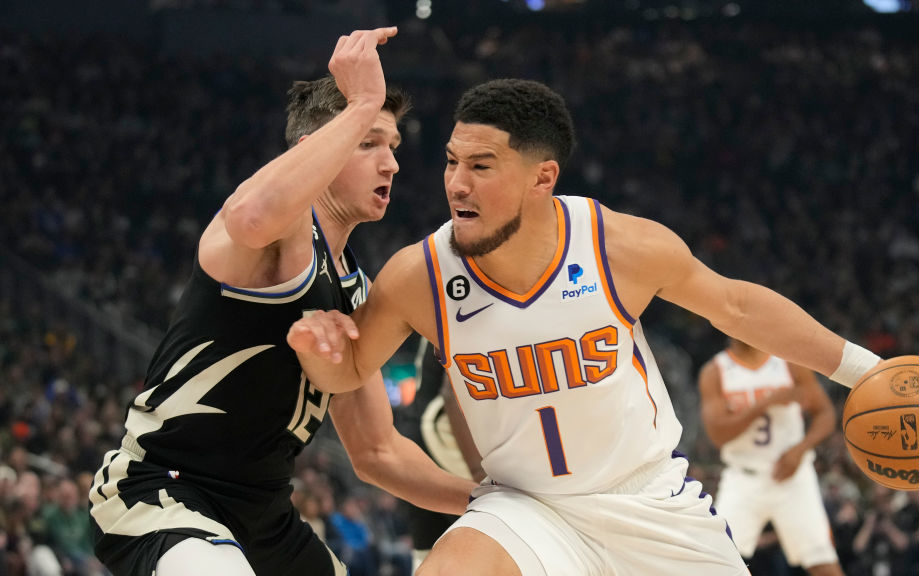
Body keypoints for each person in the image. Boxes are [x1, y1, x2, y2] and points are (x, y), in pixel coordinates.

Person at [288, 78, 884, 575]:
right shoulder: (418, 276)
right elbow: (349, 371)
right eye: (451, 161)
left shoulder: (616, 246)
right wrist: (317, 351)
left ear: (542, 177)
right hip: (526, 509)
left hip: (649, 501)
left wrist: (868, 372)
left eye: (481, 166)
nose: (456, 183)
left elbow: (738, 307)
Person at [87, 28, 474, 576]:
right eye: (369, 143)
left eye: (392, 147)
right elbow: (252, 216)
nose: (390, 164)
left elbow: (378, 453)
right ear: (314, 149)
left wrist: (491, 502)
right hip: (166, 492)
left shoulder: (358, 291)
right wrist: (362, 102)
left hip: (265, 515)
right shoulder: (278, 236)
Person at [698, 337, 845, 576]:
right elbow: (718, 435)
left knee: (822, 563)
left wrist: (801, 449)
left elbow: (825, 413)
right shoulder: (715, 371)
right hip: (743, 478)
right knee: (715, 562)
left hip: (793, 476)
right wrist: (766, 403)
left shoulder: (789, 362)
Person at [394, 337, 484, 572]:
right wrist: (479, 472)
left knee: (430, 558)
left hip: (421, 437)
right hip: (445, 437)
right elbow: (452, 392)